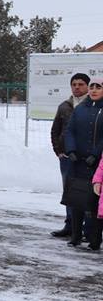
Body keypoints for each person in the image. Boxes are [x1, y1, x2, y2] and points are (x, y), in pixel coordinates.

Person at [63, 76, 103, 249]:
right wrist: (70, 150)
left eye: (98, 87)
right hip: (77, 162)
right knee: (76, 200)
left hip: (96, 164)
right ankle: (75, 235)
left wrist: (95, 154)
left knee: (94, 203)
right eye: (92, 86)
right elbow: (70, 130)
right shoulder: (80, 109)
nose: (93, 90)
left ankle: (94, 238)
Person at [51, 73, 89, 238]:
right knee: (69, 191)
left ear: (88, 86)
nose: (77, 87)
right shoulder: (64, 106)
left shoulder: (94, 105)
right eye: (74, 84)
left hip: (88, 158)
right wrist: (58, 150)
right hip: (67, 157)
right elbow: (55, 130)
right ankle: (70, 225)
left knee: (88, 192)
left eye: (81, 84)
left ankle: (89, 229)